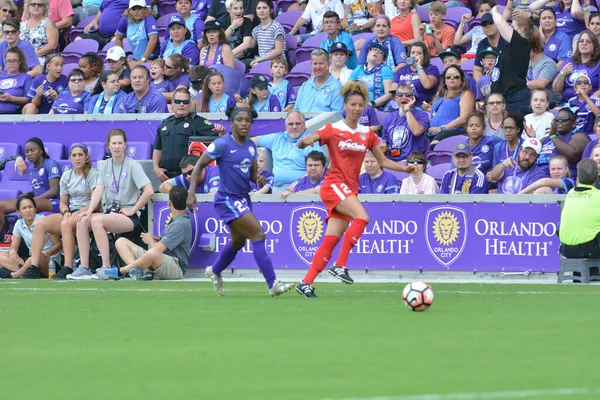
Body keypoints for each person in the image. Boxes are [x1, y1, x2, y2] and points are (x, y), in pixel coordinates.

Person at [294, 81, 414, 298]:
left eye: (361, 105)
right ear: (345, 106)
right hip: (333, 185)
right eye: (353, 105)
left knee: (332, 238)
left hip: (349, 189)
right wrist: (308, 140)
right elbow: (315, 138)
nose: (357, 109)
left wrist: (405, 168)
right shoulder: (334, 129)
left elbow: (383, 162)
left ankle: (306, 282)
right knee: (362, 217)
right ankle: (340, 265)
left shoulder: (367, 133)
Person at [186, 107, 295, 297]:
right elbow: (198, 167)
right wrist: (191, 193)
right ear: (231, 123)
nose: (244, 123)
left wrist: (258, 179)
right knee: (258, 234)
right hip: (226, 199)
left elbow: (253, 175)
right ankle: (273, 284)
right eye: (239, 120)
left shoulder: (251, 147)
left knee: (238, 241)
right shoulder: (221, 144)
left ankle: (215, 270)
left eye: (247, 120)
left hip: (243, 198)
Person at [72, 128, 154, 280]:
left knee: (97, 220)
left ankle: (106, 268)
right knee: (82, 220)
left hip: (128, 217)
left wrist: (133, 209)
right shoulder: (103, 165)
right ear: (108, 146)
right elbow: (99, 189)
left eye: (119, 143)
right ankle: (84, 267)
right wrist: (89, 210)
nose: (116, 146)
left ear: (125, 145)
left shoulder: (133, 165)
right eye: (113, 143)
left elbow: (149, 190)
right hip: (109, 212)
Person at [26, 143, 99, 279]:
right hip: (71, 211)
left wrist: (77, 213)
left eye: (80, 155)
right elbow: (63, 202)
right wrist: (66, 212)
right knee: (40, 224)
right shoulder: (66, 175)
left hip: (88, 212)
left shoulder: (93, 173)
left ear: (86, 157)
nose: (77, 158)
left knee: (66, 224)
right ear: (70, 158)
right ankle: (34, 266)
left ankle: (68, 266)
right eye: (74, 155)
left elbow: (96, 203)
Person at [97, 186, 191, 281]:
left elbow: (158, 250)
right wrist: (158, 239)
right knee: (121, 242)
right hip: (161, 261)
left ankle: (121, 271)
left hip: (176, 267)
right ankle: (138, 272)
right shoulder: (178, 220)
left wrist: (150, 241)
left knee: (153, 252)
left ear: (169, 203)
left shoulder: (180, 224)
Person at [153, 88, 224, 181]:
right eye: (178, 101)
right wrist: (156, 168)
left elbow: (219, 139)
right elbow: (158, 149)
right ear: (172, 103)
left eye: (185, 102)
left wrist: (222, 132)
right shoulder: (165, 123)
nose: (181, 104)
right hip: (166, 176)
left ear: (190, 104)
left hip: (188, 176)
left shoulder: (197, 122)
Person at [251, 110, 325, 193]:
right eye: (290, 124)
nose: (294, 126)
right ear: (286, 126)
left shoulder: (310, 143)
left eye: (297, 123)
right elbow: (253, 141)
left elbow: (317, 169)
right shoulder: (277, 138)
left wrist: (299, 182)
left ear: (304, 125)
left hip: (299, 189)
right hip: (275, 188)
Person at [0, 137, 61, 234]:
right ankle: (6, 237)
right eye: (27, 151)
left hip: (53, 202)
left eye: (32, 150)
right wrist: (27, 195)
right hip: (36, 199)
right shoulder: (31, 168)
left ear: (41, 151)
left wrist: (32, 200)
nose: (29, 154)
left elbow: (54, 191)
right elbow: (38, 188)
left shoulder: (50, 164)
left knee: (27, 205)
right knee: (1, 205)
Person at [489, 6, 539, 114]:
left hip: (515, 98)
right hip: (504, 97)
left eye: (512, 27)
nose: (509, 28)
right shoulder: (511, 46)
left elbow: (500, 22)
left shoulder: (521, 44)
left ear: (520, 29)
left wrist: (494, 12)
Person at [0, 194, 61, 279]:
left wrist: (48, 253)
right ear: (19, 212)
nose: (28, 210)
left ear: (35, 208)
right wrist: (12, 252)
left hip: (49, 261)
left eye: (30, 207)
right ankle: (27, 271)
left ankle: (14, 274)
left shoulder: (45, 221)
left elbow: (59, 244)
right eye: (24, 208)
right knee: (1, 256)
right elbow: (14, 247)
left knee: (36, 256)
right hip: (31, 260)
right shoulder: (19, 224)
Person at [558, 159, 600, 259]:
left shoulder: (570, 193)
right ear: (597, 178)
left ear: (577, 177)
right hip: (589, 249)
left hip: (566, 249)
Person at [423, 64, 475, 145]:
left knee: (435, 145)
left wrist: (442, 128)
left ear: (461, 79)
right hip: (433, 132)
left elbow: (464, 118)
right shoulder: (440, 95)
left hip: (453, 131)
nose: (452, 78)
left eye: (456, 76)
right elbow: (438, 114)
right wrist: (430, 109)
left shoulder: (465, 93)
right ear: (444, 80)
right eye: (448, 76)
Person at [381, 84, 429, 161]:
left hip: (412, 161)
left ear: (413, 98)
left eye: (408, 95)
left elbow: (417, 131)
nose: (403, 97)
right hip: (392, 160)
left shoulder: (422, 115)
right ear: (396, 98)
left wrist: (407, 110)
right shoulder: (389, 117)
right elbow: (385, 142)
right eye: (400, 95)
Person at [553, 30, 600, 101]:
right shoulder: (568, 62)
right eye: (581, 41)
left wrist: (588, 104)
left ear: (594, 46)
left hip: (590, 104)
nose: (584, 43)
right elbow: (556, 89)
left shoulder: (598, 64)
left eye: (588, 42)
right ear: (577, 44)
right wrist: (563, 73)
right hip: (568, 103)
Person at [391, 41, 440, 108]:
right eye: (413, 53)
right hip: (402, 105)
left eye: (419, 53)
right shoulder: (401, 70)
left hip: (421, 106)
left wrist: (419, 67)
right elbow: (393, 92)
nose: (415, 55)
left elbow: (427, 85)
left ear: (424, 56)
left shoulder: (432, 69)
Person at [294, 48, 344, 113]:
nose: (317, 67)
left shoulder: (337, 87)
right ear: (311, 64)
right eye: (315, 64)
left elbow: (337, 116)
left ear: (328, 64)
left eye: (321, 63)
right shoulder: (304, 86)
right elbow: (296, 111)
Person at [348, 42, 394, 110]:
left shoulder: (386, 70)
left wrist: (371, 105)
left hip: (376, 108)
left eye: (381, 52)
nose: (376, 52)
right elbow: (347, 89)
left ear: (384, 59)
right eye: (374, 49)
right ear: (368, 52)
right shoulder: (358, 69)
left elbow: (389, 95)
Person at [115, 0, 159, 64]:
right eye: (133, 9)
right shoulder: (125, 20)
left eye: (139, 8)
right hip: (136, 59)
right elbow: (118, 38)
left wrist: (143, 60)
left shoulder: (149, 19)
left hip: (152, 58)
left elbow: (153, 39)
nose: (136, 11)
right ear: (130, 11)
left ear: (145, 9)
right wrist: (122, 57)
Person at [461, 109, 501, 175]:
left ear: (484, 128)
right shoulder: (461, 146)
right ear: (466, 128)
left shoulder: (492, 141)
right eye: (471, 126)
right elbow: (454, 171)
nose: (474, 128)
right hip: (467, 183)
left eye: (477, 126)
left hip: (488, 183)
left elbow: (507, 144)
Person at [20, 0, 58, 67]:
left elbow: (52, 45)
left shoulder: (48, 23)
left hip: (40, 59)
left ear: (45, 8)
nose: (36, 6)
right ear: (28, 7)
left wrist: (32, 55)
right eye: (33, 4)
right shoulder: (22, 24)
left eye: (39, 5)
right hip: (21, 58)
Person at [248, 0, 284, 68]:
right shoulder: (256, 29)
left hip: (277, 62)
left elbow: (278, 50)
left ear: (271, 10)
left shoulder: (276, 27)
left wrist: (260, 60)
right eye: (258, 8)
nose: (261, 10)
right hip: (261, 61)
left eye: (264, 8)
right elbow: (250, 46)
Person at [472, 13, 506, 84]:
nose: (488, 26)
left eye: (490, 23)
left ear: (497, 24)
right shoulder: (482, 43)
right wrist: (482, 83)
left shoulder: (506, 42)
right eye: (485, 25)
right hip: (487, 82)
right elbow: (477, 70)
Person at [0, 46, 32, 114]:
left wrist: (11, 98)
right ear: (5, 62)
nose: (11, 64)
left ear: (20, 61)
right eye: (9, 61)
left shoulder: (26, 77)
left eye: (14, 61)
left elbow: (28, 99)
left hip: (14, 113)